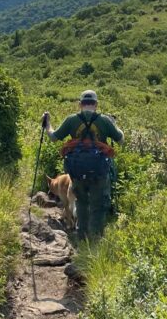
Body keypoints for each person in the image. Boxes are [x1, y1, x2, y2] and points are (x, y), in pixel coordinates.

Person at [42, 90, 124, 242]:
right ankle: (95, 241)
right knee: (98, 206)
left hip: (76, 172)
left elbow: (53, 137)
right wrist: (114, 124)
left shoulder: (71, 120)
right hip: (100, 171)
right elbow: (121, 140)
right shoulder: (104, 120)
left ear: (80, 104)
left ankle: (81, 239)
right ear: (96, 104)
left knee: (81, 202)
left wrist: (47, 124)